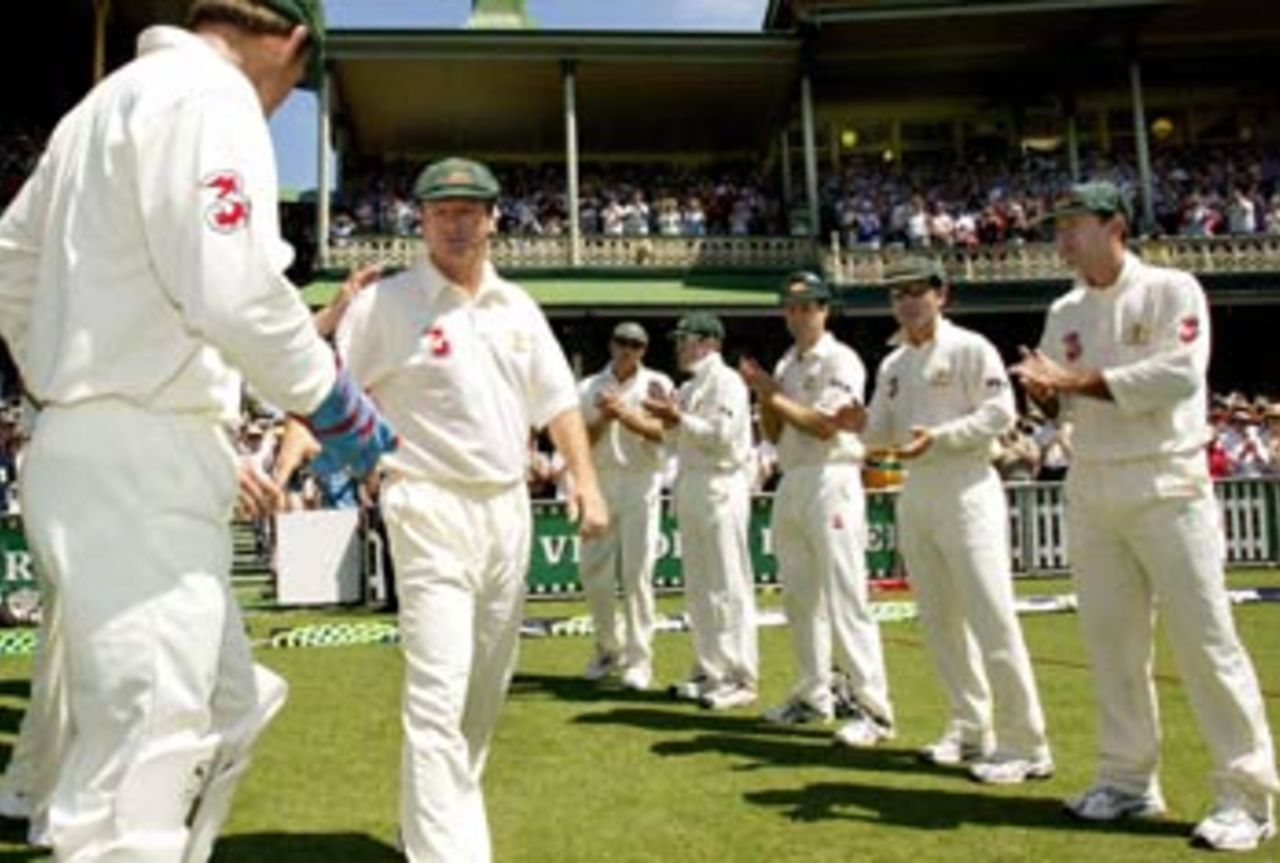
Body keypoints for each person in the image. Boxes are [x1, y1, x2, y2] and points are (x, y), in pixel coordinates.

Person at [0, 1, 398, 860]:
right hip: (145, 451)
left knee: (224, 707)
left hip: (87, 441)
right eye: (300, 83)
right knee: (146, 759)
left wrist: (60, 371)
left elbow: (10, 261)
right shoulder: (213, 97)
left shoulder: (94, 111)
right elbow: (236, 293)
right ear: (292, 42)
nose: (285, 102)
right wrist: (333, 401)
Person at [290, 156, 606, 862]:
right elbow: (323, 385)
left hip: (506, 508)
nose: (454, 225)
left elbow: (557, 402)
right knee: (438, 689)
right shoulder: (386, 303)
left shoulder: (517, 307)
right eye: (440, 213)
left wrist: (586, 483)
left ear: (493, 219)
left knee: (482, 694)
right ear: (421, 221)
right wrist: (290, 454)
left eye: (468, 212)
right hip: (425, 503)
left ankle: (428, 823)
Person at [1012, 181, 1277, 852]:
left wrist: (1070, 382)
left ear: (1114, 226)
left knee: (1206, 641)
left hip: (1167, 479)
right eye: (1057, 227)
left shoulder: (1172, 289)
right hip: (1093, 483)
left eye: (1073, 224)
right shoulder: (1065, 310)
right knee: (1112, 646)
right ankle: (1127, 779)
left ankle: (1248, 797)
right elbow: (1060, 404)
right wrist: (1043, 393)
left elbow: (1177, 376)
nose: (1063, 239)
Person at [861, 258, 1052, 782]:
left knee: (992, 617)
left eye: (915, 291)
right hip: (916, 489)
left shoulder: (971, 347)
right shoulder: (894, 364)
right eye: (897, 294)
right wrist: (851, 425)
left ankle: (1027, 743)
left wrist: (940, 438)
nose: (906, 302)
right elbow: (879, 430)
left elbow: (1000, 413)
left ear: (940, 295)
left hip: (967, 485)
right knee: (939, 620)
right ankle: (970, 728)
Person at [739, 272, 893, 748]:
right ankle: (813, 694)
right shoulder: (787, 362)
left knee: (845, 594)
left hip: (832, 476)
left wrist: (771, 392)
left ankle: (874, 708)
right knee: (799, 597)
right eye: (791, 308)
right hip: (794, 477)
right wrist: (765, 393)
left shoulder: (840, 359)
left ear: (825, 310)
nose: (799, 315)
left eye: (808, 307)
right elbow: (774, 431)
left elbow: (825, 425)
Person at [644, 313, 758, 711]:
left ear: (710, 343)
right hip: (692, 482)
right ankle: (709, 669)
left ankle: (740, 676)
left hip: (721, 484)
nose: (680, 347)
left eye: (687, 339)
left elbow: (722, 436)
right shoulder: (690, 386)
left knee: (728, 584)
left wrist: (679, 418)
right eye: (679, 340)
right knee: (699, 585)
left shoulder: (727, 382)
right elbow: (675, 443)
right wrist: (668, 418)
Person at [578, 321, 675, 691]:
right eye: (621, 342)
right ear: (611, 344)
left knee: (637, 574)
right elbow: (580, 440)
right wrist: (604, 417)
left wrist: (623, 414)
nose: (627, 350)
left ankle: (639, 659)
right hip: (600, 481)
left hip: (641, 481)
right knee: (594, 572)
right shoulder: (588, 387)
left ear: (643, 350)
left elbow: (664, 433)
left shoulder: (658, 383)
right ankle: (608, 649)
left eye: (635, 345)